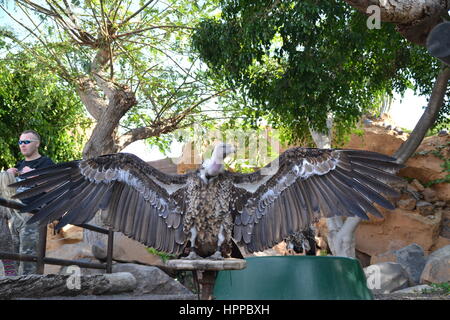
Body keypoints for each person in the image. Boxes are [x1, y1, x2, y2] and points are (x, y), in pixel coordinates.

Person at [6, 130, 54, 274]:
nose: (22, 145)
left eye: (27, 142)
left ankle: (29, 294)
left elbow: (54, 188)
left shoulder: (46, 162)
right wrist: (7, 176)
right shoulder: (19, 165)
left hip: (33, 216)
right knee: (11, 259)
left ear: (37, 144)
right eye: (20, 142)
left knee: (29, 261)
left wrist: (34, 175)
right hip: (14, 217)